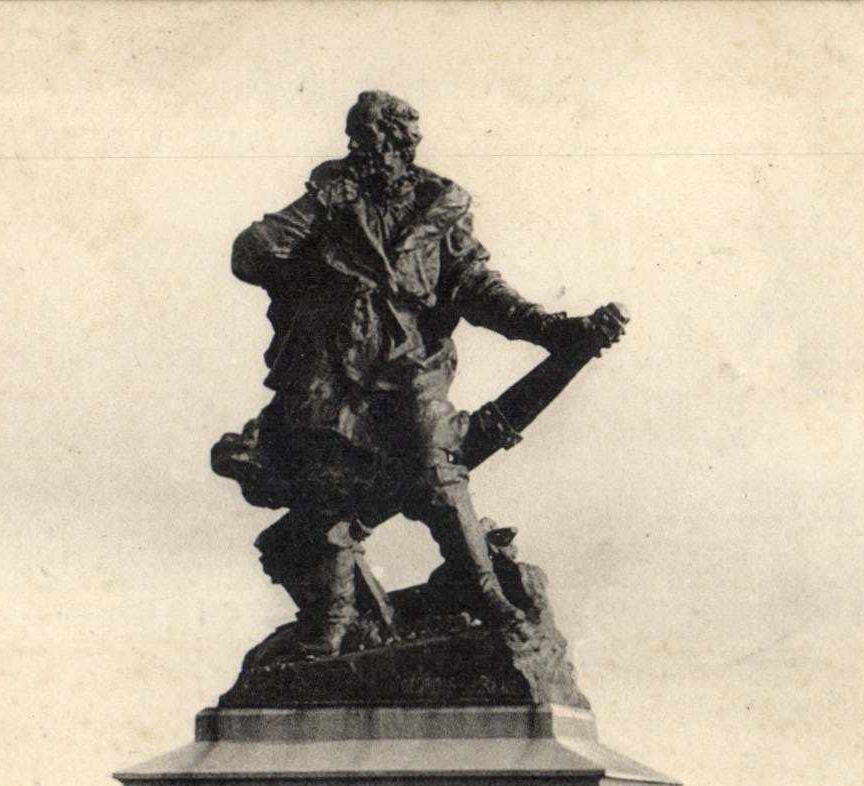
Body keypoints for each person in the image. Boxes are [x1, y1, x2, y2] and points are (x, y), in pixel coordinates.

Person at [228, 90, 600, 654]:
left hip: (409, 359)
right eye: (355, 137)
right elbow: (250, 253)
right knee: (326, 482)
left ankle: (486, 594)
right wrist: (320, 203)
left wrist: (546, 328)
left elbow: (477, 287)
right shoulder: (330, 198)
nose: (360, 147)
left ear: (401, 144)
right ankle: (336, 617)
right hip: (333, 363)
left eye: (371, 137)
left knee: (437, 466)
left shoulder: (439, 206)